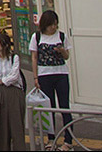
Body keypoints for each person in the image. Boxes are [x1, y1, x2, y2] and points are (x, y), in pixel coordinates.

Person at [30, 10, 73, 151]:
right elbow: (34, 58)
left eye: (55, 24)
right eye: (50, 25)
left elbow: (67, 57)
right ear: (45, 25)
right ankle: (51, 138)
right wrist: (35, 77)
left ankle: (68, 140)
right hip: (44, 75)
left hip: (61, 73)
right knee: (49, 108)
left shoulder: (61, 36)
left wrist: (61, 51)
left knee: (64, 107)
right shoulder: (36, 37)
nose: (53, 28)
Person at [0, 31, 26, 151]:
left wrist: (0, 81)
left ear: (5, 44)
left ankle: (19, 149)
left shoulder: (13, 58)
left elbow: (14, 76)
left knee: (16, 123)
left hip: (13, 92)